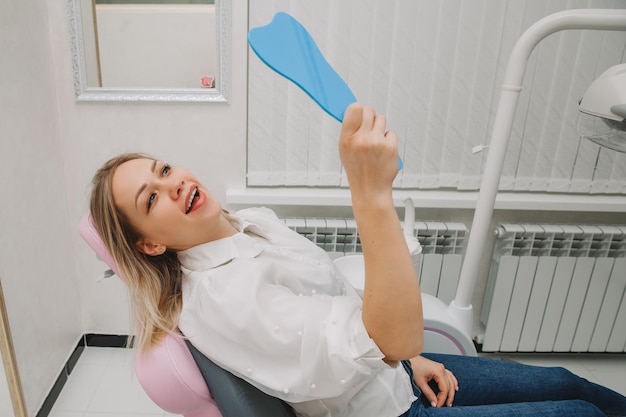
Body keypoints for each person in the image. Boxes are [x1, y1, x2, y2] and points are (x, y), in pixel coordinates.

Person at [89, 103, 626, 417]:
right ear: (149, 245)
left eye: (161, 169)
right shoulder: (226, 298)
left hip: (400, 376)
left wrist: (413, 362)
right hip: (386, 410)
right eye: (150, 198)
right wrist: (370, 193)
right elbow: (388, 340)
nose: (172, 183)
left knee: (565, 381)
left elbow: (342, 303)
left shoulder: (252, 221)